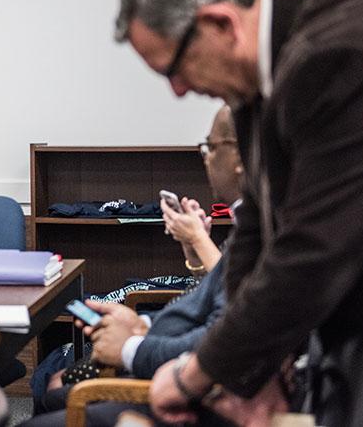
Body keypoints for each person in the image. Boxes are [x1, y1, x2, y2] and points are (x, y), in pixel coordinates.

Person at [115, 0, 363, 425]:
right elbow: (258, 227)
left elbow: (313, 252)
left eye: (174, 67)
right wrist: (253, 372)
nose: (177, 89)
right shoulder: (268, 55)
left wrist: (198, 373)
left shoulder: (340, 56)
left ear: (220, 23)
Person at [24, 106, 243, 427]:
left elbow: (223, 332)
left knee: (53, 393)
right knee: (53, 388)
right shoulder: (251, 224)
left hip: (187, 384)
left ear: (239, 158)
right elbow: (214, 296)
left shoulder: (265, 233)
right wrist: (142, 322)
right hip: (165, 350)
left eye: (211, 146)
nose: (205, 157)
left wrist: (133, 345)